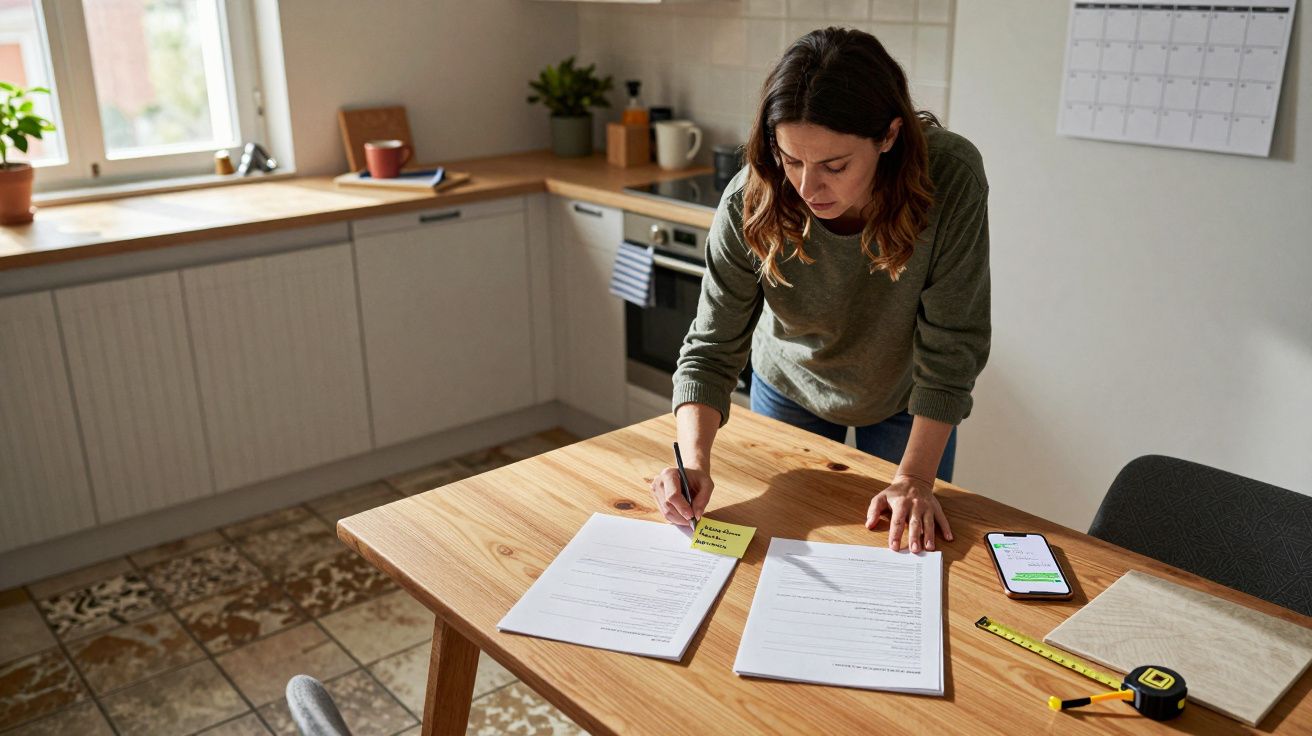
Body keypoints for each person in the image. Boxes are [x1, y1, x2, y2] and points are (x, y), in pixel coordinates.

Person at [649, 27, 990, 554]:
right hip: (789, 387)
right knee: (781, 546)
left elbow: (954, 345)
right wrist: (692, 461)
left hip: (909, 397)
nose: (807, 188)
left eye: (834, 166)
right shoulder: (750, 199)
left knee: (907, 553)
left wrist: (917, 480)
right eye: (791, 160)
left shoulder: (951, 178)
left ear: (889, 136)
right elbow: (711, 348)